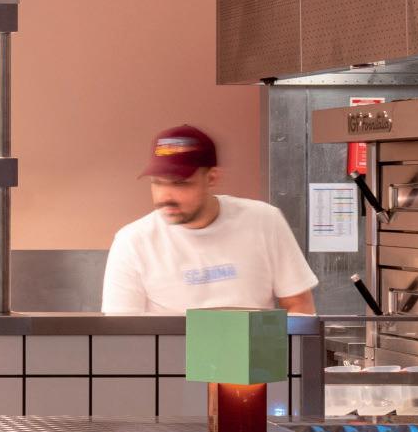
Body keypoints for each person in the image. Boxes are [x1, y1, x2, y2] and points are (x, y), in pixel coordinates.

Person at [100, 124, 318, 315]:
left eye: (180, 183)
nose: (165, 196)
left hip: (254, 350)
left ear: (212, 178)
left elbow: (299, 305)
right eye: (157, 182)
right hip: (169, 351)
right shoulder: (132, 241)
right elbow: (121, 331)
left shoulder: (264, 221)